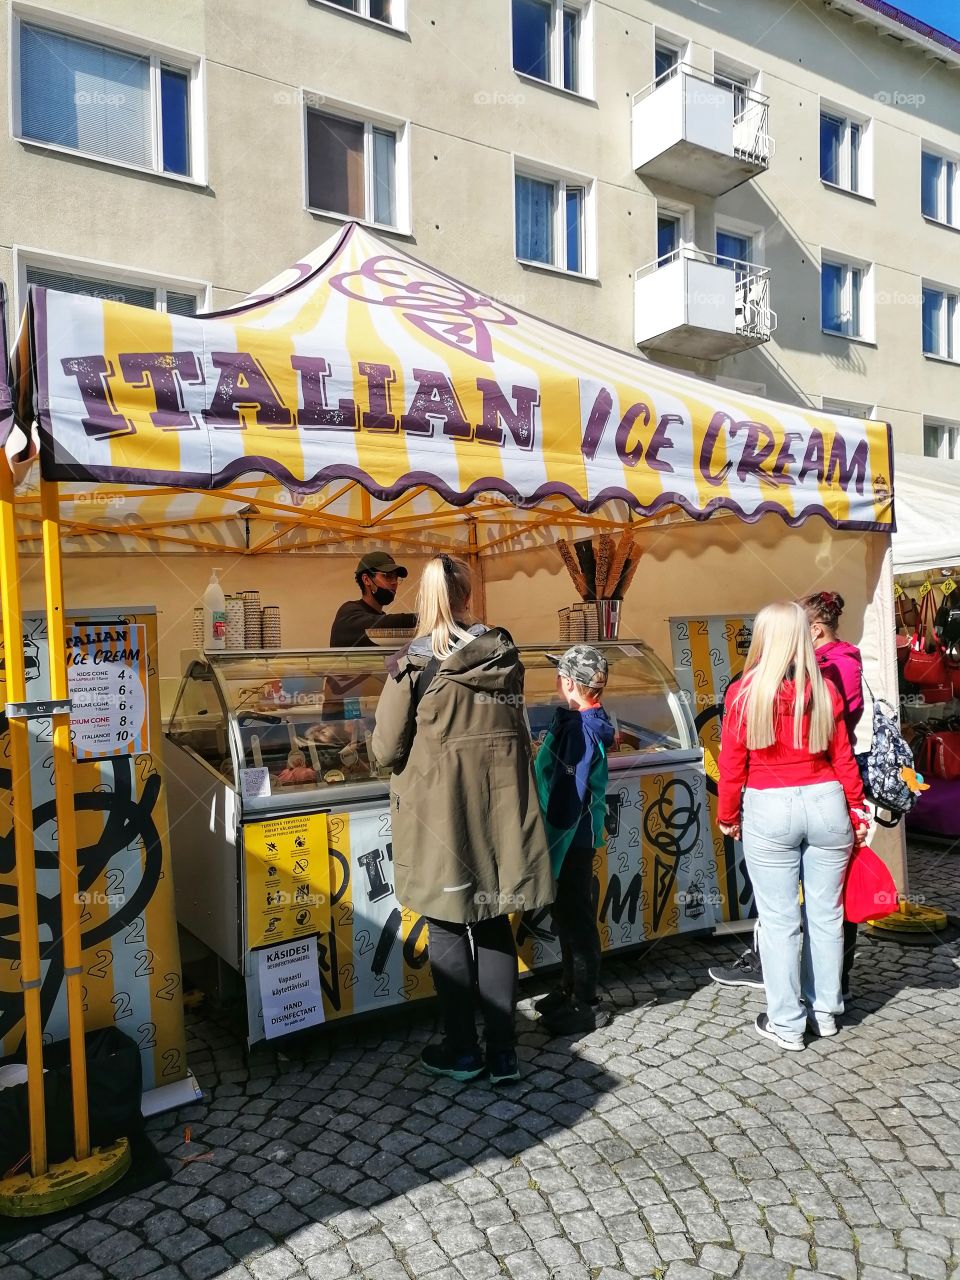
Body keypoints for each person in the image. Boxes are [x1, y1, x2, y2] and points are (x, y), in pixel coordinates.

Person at [372, 554, 553, 1083]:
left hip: (441, 815)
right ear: (467, 594)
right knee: (496, 920)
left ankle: (463, 1050)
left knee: (449, 924)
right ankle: (504, 1055)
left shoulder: (415, 662)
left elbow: (385, 750)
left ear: (424, 599)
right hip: (499, 810)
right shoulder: (504, 652)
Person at [717, 602, 869, 1050]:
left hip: (769, 805)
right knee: (826, 916)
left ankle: (787, 1023)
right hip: (827, 803)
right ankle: (825, 1010)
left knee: (780, 920)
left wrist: (728, 816)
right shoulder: (824, 690)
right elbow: (843, 757)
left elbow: (732, 764)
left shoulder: (745, 693)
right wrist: (857, 810)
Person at [533, 646, 616, 1036]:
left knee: (577, 919)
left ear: (568, 682)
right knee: (566, 915)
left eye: (559, 675)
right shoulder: (582, 720)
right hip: (571, 837)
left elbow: (569, 793)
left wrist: (548, 834)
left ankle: (587, 1002)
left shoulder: (582, 730)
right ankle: (568, 988)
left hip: (571, 838)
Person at [329, 551, 417, 647]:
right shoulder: (348, 613)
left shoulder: (381, 619)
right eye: (387, 576)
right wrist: (423, 618)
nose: (394, 582)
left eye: (396, 577)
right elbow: (380, 623)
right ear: (366, 579)